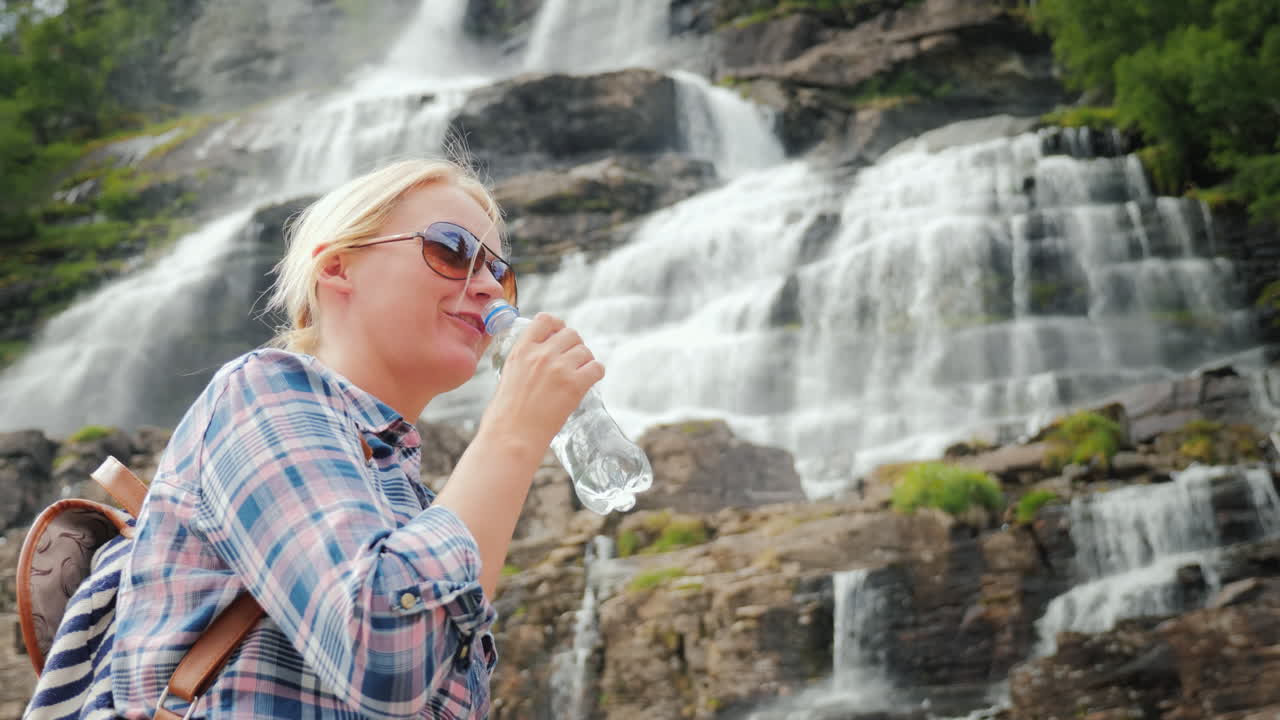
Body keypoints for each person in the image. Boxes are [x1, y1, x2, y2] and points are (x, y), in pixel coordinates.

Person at [112, 157, 603, 719]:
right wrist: (515, 429)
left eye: (502, 273)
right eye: (453, 250)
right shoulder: (262, 390)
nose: (491, 288)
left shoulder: (411, 499)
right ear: (338, 268)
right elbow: (386, 659)